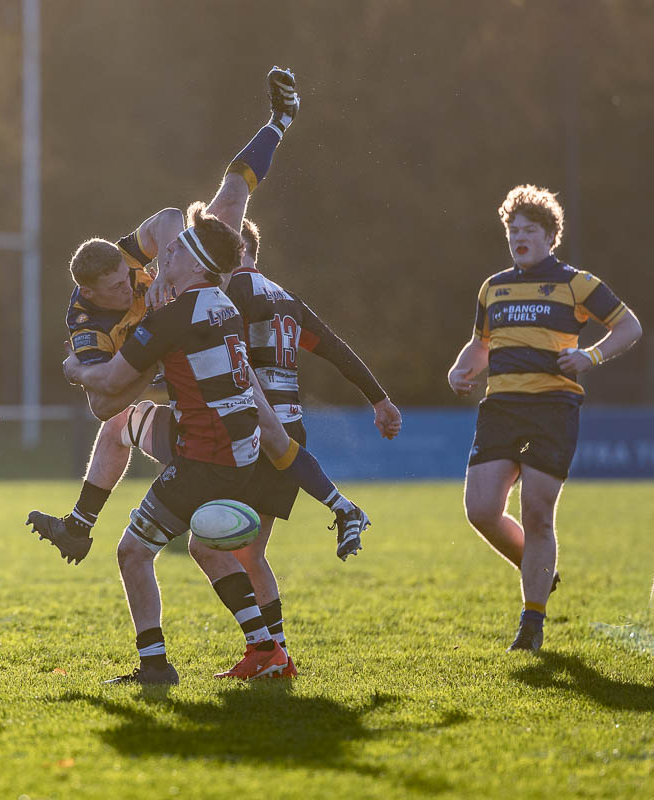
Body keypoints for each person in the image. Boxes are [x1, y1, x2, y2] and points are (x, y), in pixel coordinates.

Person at [60, 67, 301, 684]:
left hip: (207, 413)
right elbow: (105, 399)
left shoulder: (154, 281)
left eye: (134, 274)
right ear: (91, 293)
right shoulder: (91, 321)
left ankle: (278, 122)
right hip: (207, 401)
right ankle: (265, 651)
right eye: (120, 287)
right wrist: (137, 364)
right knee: (122, 434)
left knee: (152, 545)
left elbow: (170, 220)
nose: (134, 283)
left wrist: (90, 369)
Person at [447, 185, 642, 652]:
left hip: (552, 408)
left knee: (536, 514)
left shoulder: (577, 284)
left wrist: (591, 356)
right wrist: (460, 368)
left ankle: (531, 623)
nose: (519, 237)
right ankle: (538, 568)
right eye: (513, 230)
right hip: (500, 409)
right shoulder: (493, 287)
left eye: (529, 230)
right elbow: (480, 344)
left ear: (551, 236)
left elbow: (629, 325)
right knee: (481, 510)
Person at [222, 217, 402, 669]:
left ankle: (266, 650)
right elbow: (335, 348)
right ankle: (276, 655)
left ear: (235, 245)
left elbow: (223, 359)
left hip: (254, 431)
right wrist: (379, 399)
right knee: (250, 553)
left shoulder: (233, 292)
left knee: (213, 548)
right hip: (291, 427)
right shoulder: (286, 298)